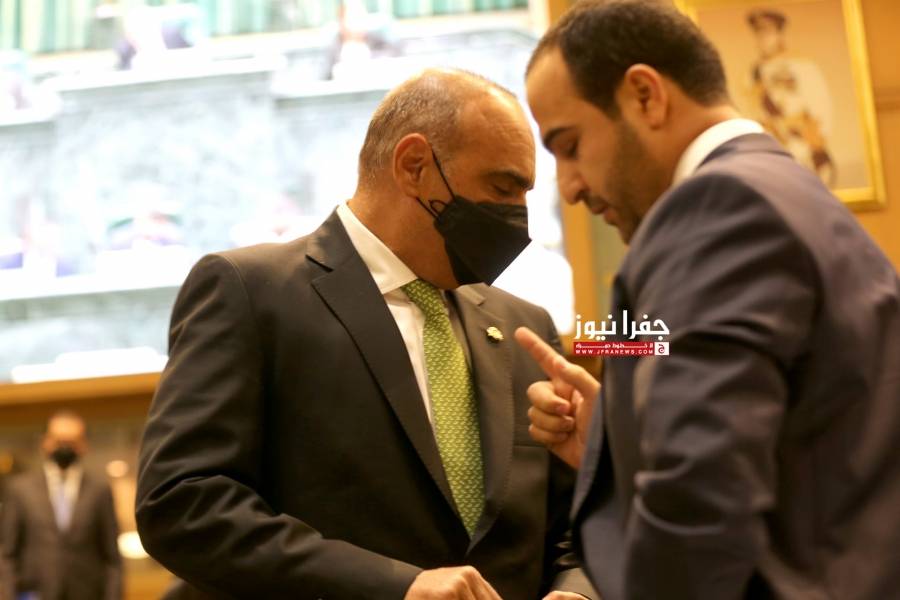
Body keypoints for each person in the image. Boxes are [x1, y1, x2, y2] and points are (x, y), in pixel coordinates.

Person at [135, 68, 596, 599]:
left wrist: (578, 591)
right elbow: (182, 502)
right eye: (502, 187)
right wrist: (394, 587)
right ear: (414, 165)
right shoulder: (252, 292)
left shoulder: (525, 328)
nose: (518, 215)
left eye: (524, 193)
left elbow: (576, 526)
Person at [519, 1, 900, 599]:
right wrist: (618, 438)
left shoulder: (717, 207)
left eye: (570, 146)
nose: (568, 187)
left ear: (645, 96)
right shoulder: (783, 186)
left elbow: (698, 505)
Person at [0, 411, 123, 600]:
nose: (65, 447)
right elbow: (8, 553)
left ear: (83, 444)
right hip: (34, 593)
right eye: (59, 441)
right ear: (46, 442)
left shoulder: (99, 490)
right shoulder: (20, 490)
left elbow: (112, 557)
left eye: (72, 441)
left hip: (87, 594)